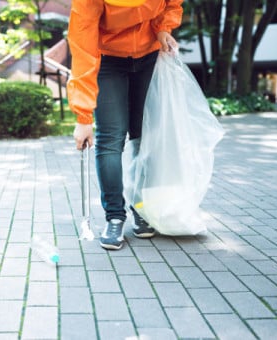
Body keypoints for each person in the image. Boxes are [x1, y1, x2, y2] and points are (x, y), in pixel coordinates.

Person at [67, 0, 184, 250]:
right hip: (108, 60)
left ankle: (141, 208)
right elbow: (83, 52)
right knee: (111, 140)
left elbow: (171, 4)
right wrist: (83, 116)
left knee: (146, 138)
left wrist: (164, 28)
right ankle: (115, 217)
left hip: (149, 56)